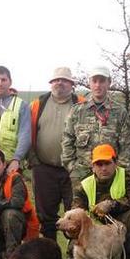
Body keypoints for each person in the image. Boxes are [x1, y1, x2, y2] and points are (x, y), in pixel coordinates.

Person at [71, 144, 130, 259]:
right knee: (74, 227)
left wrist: (112, 204)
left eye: (107, 163)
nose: (103, 168)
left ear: (115, 163)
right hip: (95, 225)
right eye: (99, 164)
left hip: (121, 221)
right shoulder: (83, 184)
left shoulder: (128, 176)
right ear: (93, 167)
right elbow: (76, 210)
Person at [28, 67, 85, 240]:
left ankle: (75, 257)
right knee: (46, 217)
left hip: (73, 170)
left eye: (64, 80)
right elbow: (27, 133)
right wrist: (33, 161)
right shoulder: (37, 104)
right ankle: (49, 254)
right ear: (51, 83)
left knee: (76, 215)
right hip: (44, 168)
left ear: (71, 84)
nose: (59, 83)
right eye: (56, 80)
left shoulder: (82, 103)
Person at [61, 66, 130, 191]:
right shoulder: (77, 111)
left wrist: (120, 173)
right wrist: (72, 168)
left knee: (110, 209)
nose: (98, 85)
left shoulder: (120, 112)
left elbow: (127, 146)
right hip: (82, 176)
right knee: (80, 210)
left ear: (109, 83)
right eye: (94, 81)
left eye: (102, 81)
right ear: (89, 83)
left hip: (111, 176)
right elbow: (67, 140)